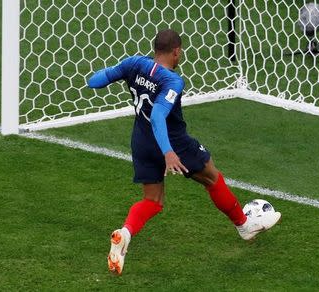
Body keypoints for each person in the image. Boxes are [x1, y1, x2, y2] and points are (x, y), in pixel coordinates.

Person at [88, 29, 281, 275]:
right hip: (175, 142)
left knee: (152, 201)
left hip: (142, 142)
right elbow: (158, 115)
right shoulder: (172, 81)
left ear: (155, 48)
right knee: (212, 176)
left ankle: (124, 233)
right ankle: (244, 226)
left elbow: (95, 81)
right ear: (177, 51)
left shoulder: (134, 63)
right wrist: (168, 152)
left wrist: (113, 73)